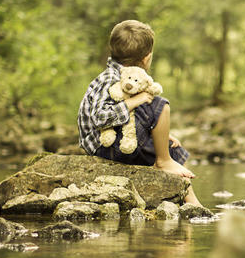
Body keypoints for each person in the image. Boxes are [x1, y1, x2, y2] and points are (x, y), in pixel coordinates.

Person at [78, 20, 201, 206]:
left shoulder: (124, 75)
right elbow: (99, 119)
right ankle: (163, 161)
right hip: (105, 147)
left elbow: (135, 118)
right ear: (146, 58)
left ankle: (191, 201)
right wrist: (133, 101)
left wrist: (160, 133)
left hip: (120, 141)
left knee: (169, 145)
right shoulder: (110, 79)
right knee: (160, 104)